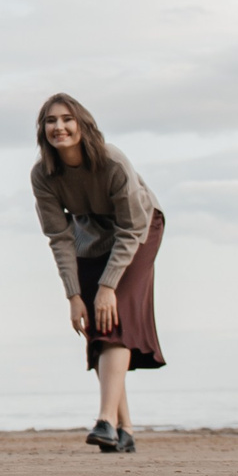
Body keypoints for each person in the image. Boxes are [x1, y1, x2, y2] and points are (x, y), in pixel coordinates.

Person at [31, 93, 165, 453]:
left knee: (114, 312)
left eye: (66, 119)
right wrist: (74, 296)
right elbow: (59, 237)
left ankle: (106, 421)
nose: (59, 127)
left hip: (138, 230)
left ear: (82, 124)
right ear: (43, 130)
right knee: (96, 323)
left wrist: (108, 286)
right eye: (50, 121)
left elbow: (131, 228)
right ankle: (125, 430)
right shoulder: (43, 174)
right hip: (89, 235)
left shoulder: (112, 162)